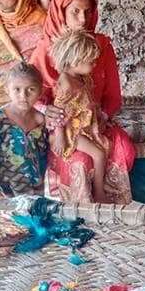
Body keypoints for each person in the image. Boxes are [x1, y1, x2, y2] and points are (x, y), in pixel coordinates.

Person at [29, 0, 134, 204]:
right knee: (81, 159)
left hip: (92, 120)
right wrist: (49, 115)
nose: (83, 18)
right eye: (75, 11)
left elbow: (111, 92)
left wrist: (103, 116)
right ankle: (86, 203)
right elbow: (34, 96)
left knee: (122, 148)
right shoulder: (47, 49)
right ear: (60, 11)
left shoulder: (100, 44)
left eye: (88, 11)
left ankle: (114, 206)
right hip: (63, 125)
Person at [49, 29, 108, 203]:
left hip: (83, 125)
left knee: (105, 146)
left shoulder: (83, 78)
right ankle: (99, 192)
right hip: (71, 131)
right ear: (77, 60)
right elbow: (59, 111)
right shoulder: (66, 83)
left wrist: (99, 116)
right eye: (91, 61)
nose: (95, 64)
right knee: (99, 154)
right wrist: (59, 136)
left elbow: (87, 102)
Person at [0, 62, 48, 197]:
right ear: (7, 89)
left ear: (40, 91)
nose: (23, 96)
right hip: (3, 192)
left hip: (36, 192)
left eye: (31, 89)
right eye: (17, 89)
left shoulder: (42, 122)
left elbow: (43, 158)